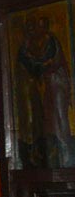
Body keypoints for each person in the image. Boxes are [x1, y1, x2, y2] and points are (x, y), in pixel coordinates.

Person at [16, 13, 75, 167]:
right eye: (34, 28)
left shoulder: (51, 41)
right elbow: (31, 63)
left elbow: (49, 60)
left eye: (39, 27)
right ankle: (50, 153)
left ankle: (66, 153)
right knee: (47, 118)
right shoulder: (29, 45)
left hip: (57, 83)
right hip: (48, 85)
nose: (37, 30)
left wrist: (39, 66)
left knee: (59, 117)